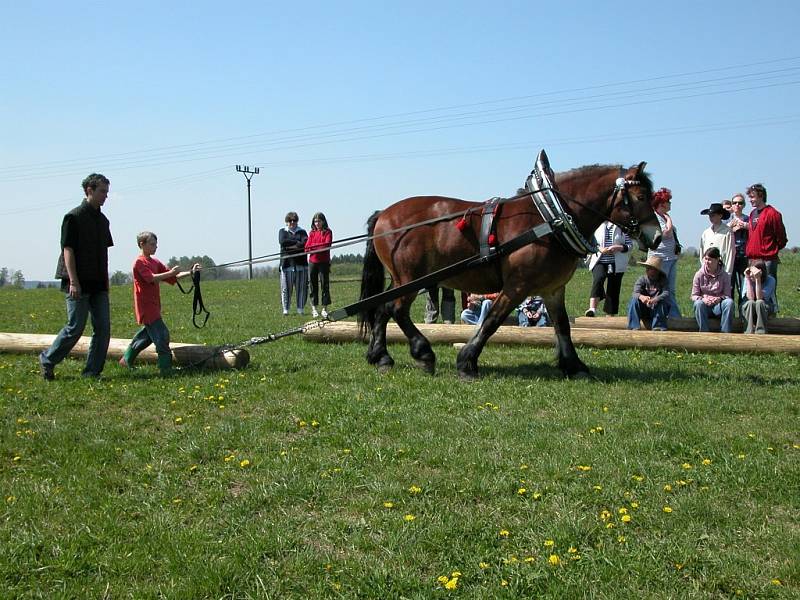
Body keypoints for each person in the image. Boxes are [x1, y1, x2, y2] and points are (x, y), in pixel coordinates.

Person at [39, 173, 113, 381]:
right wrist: (73, 281)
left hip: (98, 283)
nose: (106, 196)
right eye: (102, 192)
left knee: (103, 329)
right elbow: (68, 250)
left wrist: (106, 283)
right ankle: (48, 360)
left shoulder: (103, 221)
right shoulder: (74, 217)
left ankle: (92, 372)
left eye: (107, 192)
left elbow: (103, 253)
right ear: (89, 190)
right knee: (75, 328)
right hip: (78, 282)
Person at [119, 232, 200, 374]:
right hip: (146, 306)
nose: (155, 246)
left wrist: (191, 272)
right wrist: (170, 273)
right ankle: (165, 368)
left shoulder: (155, 262)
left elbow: (172, 275)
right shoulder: (139, 262)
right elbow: (151, 278)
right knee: (161, 334)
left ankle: (126, 360)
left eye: (156, 244)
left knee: (146, 337)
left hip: (155, 305)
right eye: (152, 244)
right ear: (141, 245)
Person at [744, 183, 787, 302]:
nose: (750, 200)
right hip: (752, 259)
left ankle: (771, 313)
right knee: (752, 290)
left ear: (761, 196)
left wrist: (772, 250)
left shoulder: (773, 213)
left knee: (768, 292)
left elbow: (781, 237)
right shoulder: (752, 214)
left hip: (767, 259)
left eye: (752, 197)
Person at [584, 220, 634, 317]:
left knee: (614, 286)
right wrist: (600, 249)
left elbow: (629, 245)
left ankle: (610, 313)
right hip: (599, 260)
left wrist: (619, 247)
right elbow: (591, 241)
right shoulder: (597, 225)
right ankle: (592, 308)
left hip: (617, 262)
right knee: (598, 279)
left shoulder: (622, 227)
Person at [647, 187, 682, 318]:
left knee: (670, 290)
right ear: (662, 203)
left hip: (670, 258)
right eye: (668, 201)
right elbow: (666, 233)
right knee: (659, 289)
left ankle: (672, 316)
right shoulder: (655, 217)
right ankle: (659, 316)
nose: (670, 203)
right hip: (660, 259)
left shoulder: (663, 217)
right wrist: (669, 220)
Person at [691, 247, 734, 333]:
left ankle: (725, 333)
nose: (707, 262)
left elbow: (727, 295)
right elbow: (694, 295)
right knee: (698, 304)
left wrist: (720, 299)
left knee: (729, 303)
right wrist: (703, 299)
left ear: (717, 260)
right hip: (705, 306)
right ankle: (704, 333)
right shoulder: (699, 275)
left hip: (718, 306)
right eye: (706, 259)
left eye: (710, 259)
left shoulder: (725, 275)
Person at [626, 256, 670, 331]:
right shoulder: (642, 279)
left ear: (656, 270)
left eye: (650, 268)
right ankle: (633, 327)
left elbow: (666, 293)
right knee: (634, 301)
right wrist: (642, 297)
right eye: (647, 268)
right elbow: (635, 293)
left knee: (663, 303)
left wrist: (655, 299)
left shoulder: (663, 280)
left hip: (657, 310)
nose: (647, 270)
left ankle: (658, 327)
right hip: (644, 309)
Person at [278, 211, 309, 315]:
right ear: (286, 221)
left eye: (294, 220)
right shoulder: (282, 231)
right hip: (287, 265)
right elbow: (283, 242)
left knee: (301, 288)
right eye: (290, 220)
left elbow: (304, 243)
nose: (292, 222)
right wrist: (297, 243)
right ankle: (286, 309)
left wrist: (290, 247)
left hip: (301, 265)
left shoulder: (303, 232)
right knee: (286, 289)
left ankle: (300, 309)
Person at [304, 212, 332, 319]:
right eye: (315, 221)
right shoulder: (311, 233)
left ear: (323, 221)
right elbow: (306, 248)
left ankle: (324, 308)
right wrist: (316, 247)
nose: (317, 223)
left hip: (324, 262)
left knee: (325, 284)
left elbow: (326, 245)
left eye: (319, 221)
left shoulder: (328, 232)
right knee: (312, 285)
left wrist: (313, 247)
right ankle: (314, 308)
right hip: (312, 262)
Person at [740, 259, 777, 334]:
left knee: (759, 302)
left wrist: (758, 279)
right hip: (748, 308)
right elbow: (750, 298)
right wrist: (748, 279)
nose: (751, 274)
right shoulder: (747, 278)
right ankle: (748, 332)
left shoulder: (771, 280)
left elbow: (759, 298)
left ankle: (761, 332)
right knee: (750, 303)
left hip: (765, 307)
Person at [699, 202, 734, 275]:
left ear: (720, 215)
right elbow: (702, 252)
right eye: (709, 215)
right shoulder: (706, 233)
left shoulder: (727, 231)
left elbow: (730, 252)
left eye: (713, 215)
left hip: (721, 269)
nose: (711, 217)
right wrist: (703, 268)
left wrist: (728, 272)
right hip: (707, 270)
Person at [728, 193, 749, 308]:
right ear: (731, 205)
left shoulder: (748, 219)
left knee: (743, 285)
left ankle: (744, 313)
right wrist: (730, 228)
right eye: (735, 203)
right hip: (731, 255)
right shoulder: (727, 220)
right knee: (730, 286)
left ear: (744, 205)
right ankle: (729, 313)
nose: (737, 205)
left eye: (740, 203)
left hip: (744, 255)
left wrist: (745, 226)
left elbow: (755, 231)